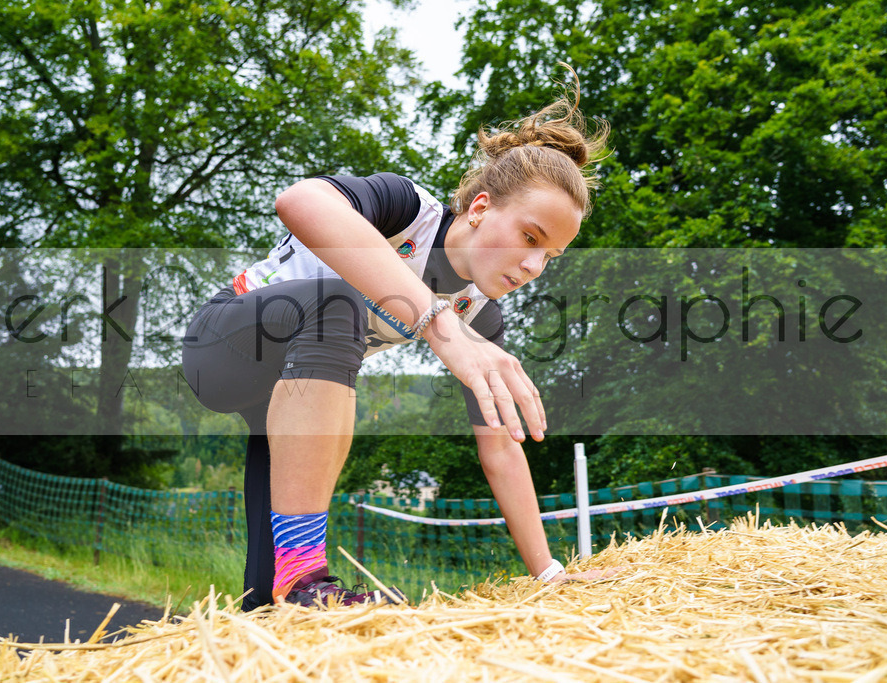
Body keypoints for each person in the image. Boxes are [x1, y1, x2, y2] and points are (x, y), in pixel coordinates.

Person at [182, 68, 611, 610]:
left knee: (274, 600)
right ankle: (303, 577)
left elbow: (500, 451)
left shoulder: (479, 314)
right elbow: (298, 201)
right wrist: (434, 318)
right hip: (223, 346)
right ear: (480, 208)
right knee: (336, 303)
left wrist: (547, 573)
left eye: (548, 257)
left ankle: (290, 591)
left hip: (287, 404)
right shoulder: (405, 208)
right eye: (530, 237)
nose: (532, 266)